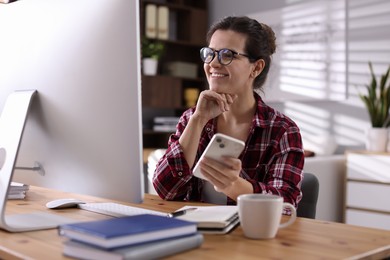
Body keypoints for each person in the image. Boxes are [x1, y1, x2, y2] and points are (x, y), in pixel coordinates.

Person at [153, 16, 304, 212]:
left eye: (227, 55)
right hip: (196, 233)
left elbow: (286, 206)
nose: (213, 63)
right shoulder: (192, 118)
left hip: (251, 237)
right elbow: (166, 190)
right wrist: (198, 120)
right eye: (210, 54)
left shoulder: (282, 130)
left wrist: (234, 186)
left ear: (256, 68)